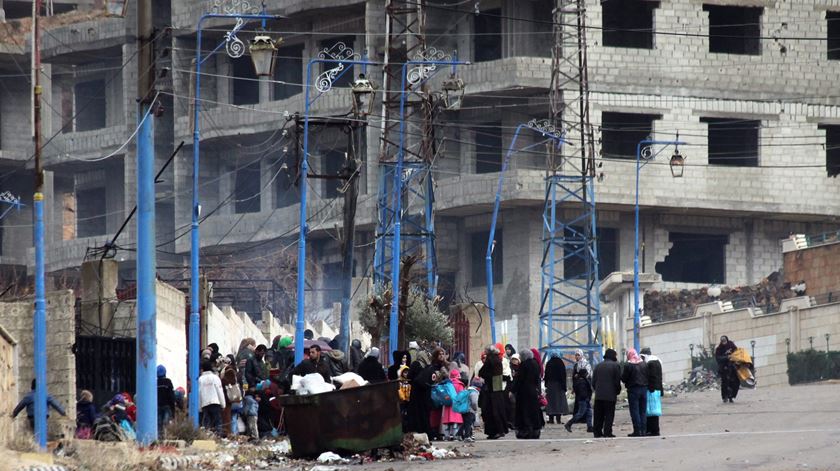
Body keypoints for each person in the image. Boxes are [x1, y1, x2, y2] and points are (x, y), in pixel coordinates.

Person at [512, 348, 544, 439]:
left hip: (524, 392)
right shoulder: (536, 364)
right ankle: (535, 431)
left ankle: (526, 431)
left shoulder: (524, 365)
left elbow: (520, 379)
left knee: (525, 412)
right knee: (534, 411)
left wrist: (513, 390)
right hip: (533, 391)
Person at [478, 345, 509, 439]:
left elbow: (482, 372)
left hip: (491, 388)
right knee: (498, 409)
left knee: (490, 410)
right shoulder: (498, 360)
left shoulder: (490, 360)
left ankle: (494, 431)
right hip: (497, 386)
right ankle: (501, 430)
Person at [591, 348, 621, 438]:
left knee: (598, 415)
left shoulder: (598, 366)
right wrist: (617, 391)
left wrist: (597, 389)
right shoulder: (616, 366)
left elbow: (593, 381)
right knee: (609, 414)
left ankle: (597, 432)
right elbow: (617, 381)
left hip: (599, 395)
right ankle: (607, 432)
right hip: (610, 395)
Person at [621, 348, 649, 437]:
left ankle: (637, 430)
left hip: (633, 390)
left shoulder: (628, 365)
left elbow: (624, 378)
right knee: (643, 411)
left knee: (635, 411)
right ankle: (644, 430)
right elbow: (647, 375)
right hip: (644, 389)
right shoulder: (644, 363)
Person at [427, 347, 450, 440]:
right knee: (434, 411)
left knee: (440, 411)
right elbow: (434, 378)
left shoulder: (445, 365)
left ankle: (438, 431)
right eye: (440, 354)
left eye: (443, 354)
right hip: (434, 390)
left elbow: (448, 376)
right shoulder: (433, 366)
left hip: (442, 390)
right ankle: (432, 431)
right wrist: (441, 373)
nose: (442, 356)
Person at [199, 360, 226, 436]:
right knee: (218, 422)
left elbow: (199, 393)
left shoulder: (200, 379)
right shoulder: (215, 378)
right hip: (215, 402)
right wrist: (223, 404)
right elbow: (219, 391)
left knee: (206, 424)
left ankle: (206, 437)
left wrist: (199, 407)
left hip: (205, 404)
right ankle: (218, 437)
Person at [641, 347, 663, 436]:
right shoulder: (657, 361)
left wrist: (649, 387)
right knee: (654, 411)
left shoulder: (650, 363)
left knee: (650, 411)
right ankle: (655, 429)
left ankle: (652, 430)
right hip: (657, 389)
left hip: (651, 389)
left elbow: (651, 377)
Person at [565, 367, 593, 433]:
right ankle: (569, 424)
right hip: (583, 399)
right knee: (580, 413)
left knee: (589, 413)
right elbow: (582, 392)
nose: (587, 375)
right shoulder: (581, 382)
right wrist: (586, 397)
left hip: (585, 399)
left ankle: (590, 427)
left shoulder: (581, 380)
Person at [544, 350, 568, 424]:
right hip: (559, 386)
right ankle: (558, 420)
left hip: (550, 385)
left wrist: (546, 384)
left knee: (550, 402)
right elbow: (563, 376)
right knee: (558, 402)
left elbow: (546, 375)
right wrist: (564, 387)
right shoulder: (560, 363)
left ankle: (551, 420)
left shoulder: (549, 363)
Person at [715, 335, 740, 403]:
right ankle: (725, 397)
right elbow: (718, 358)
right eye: (722, 341)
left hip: (732, 367)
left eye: (725, 340)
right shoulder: (719, 349)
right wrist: (726, 357)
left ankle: (732, 396)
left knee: (735, 382)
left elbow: (737, 352)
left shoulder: (731, 344)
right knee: (725, 383)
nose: (724, 342)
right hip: (724, 368)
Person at [441, 368, 464, 440]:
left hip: (448, 405)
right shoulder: (460, 384)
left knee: (447, 422)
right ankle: (455, 435)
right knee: (455, 422)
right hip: (456, 405)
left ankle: (446, 435)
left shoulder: (447, 384)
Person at [220, 357, 240, 436]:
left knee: (227, 416)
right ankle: (227, 433)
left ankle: (228, 433)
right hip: (226, 397)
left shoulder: (229, 371)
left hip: (227, 397)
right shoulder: (226, 371)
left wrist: (222, 380)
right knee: (227, 416)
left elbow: (232, 381)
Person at [459, 377, 481, 442]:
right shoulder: (474, 392)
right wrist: (475, 409)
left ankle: (459, 434)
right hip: (470, 410)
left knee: (465, 423)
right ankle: (467, 436)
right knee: (469, 424)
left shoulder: (467, 390)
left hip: (464, 409)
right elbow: (474, 402)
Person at [157, 364, 176, 433]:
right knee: (166, 423)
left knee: (159, 423)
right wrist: (173, 407)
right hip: (167, 406)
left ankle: (159, 437)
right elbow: (171, 395)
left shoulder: (155, 383)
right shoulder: (168, 382)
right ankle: (166, 436)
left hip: (158, 406)